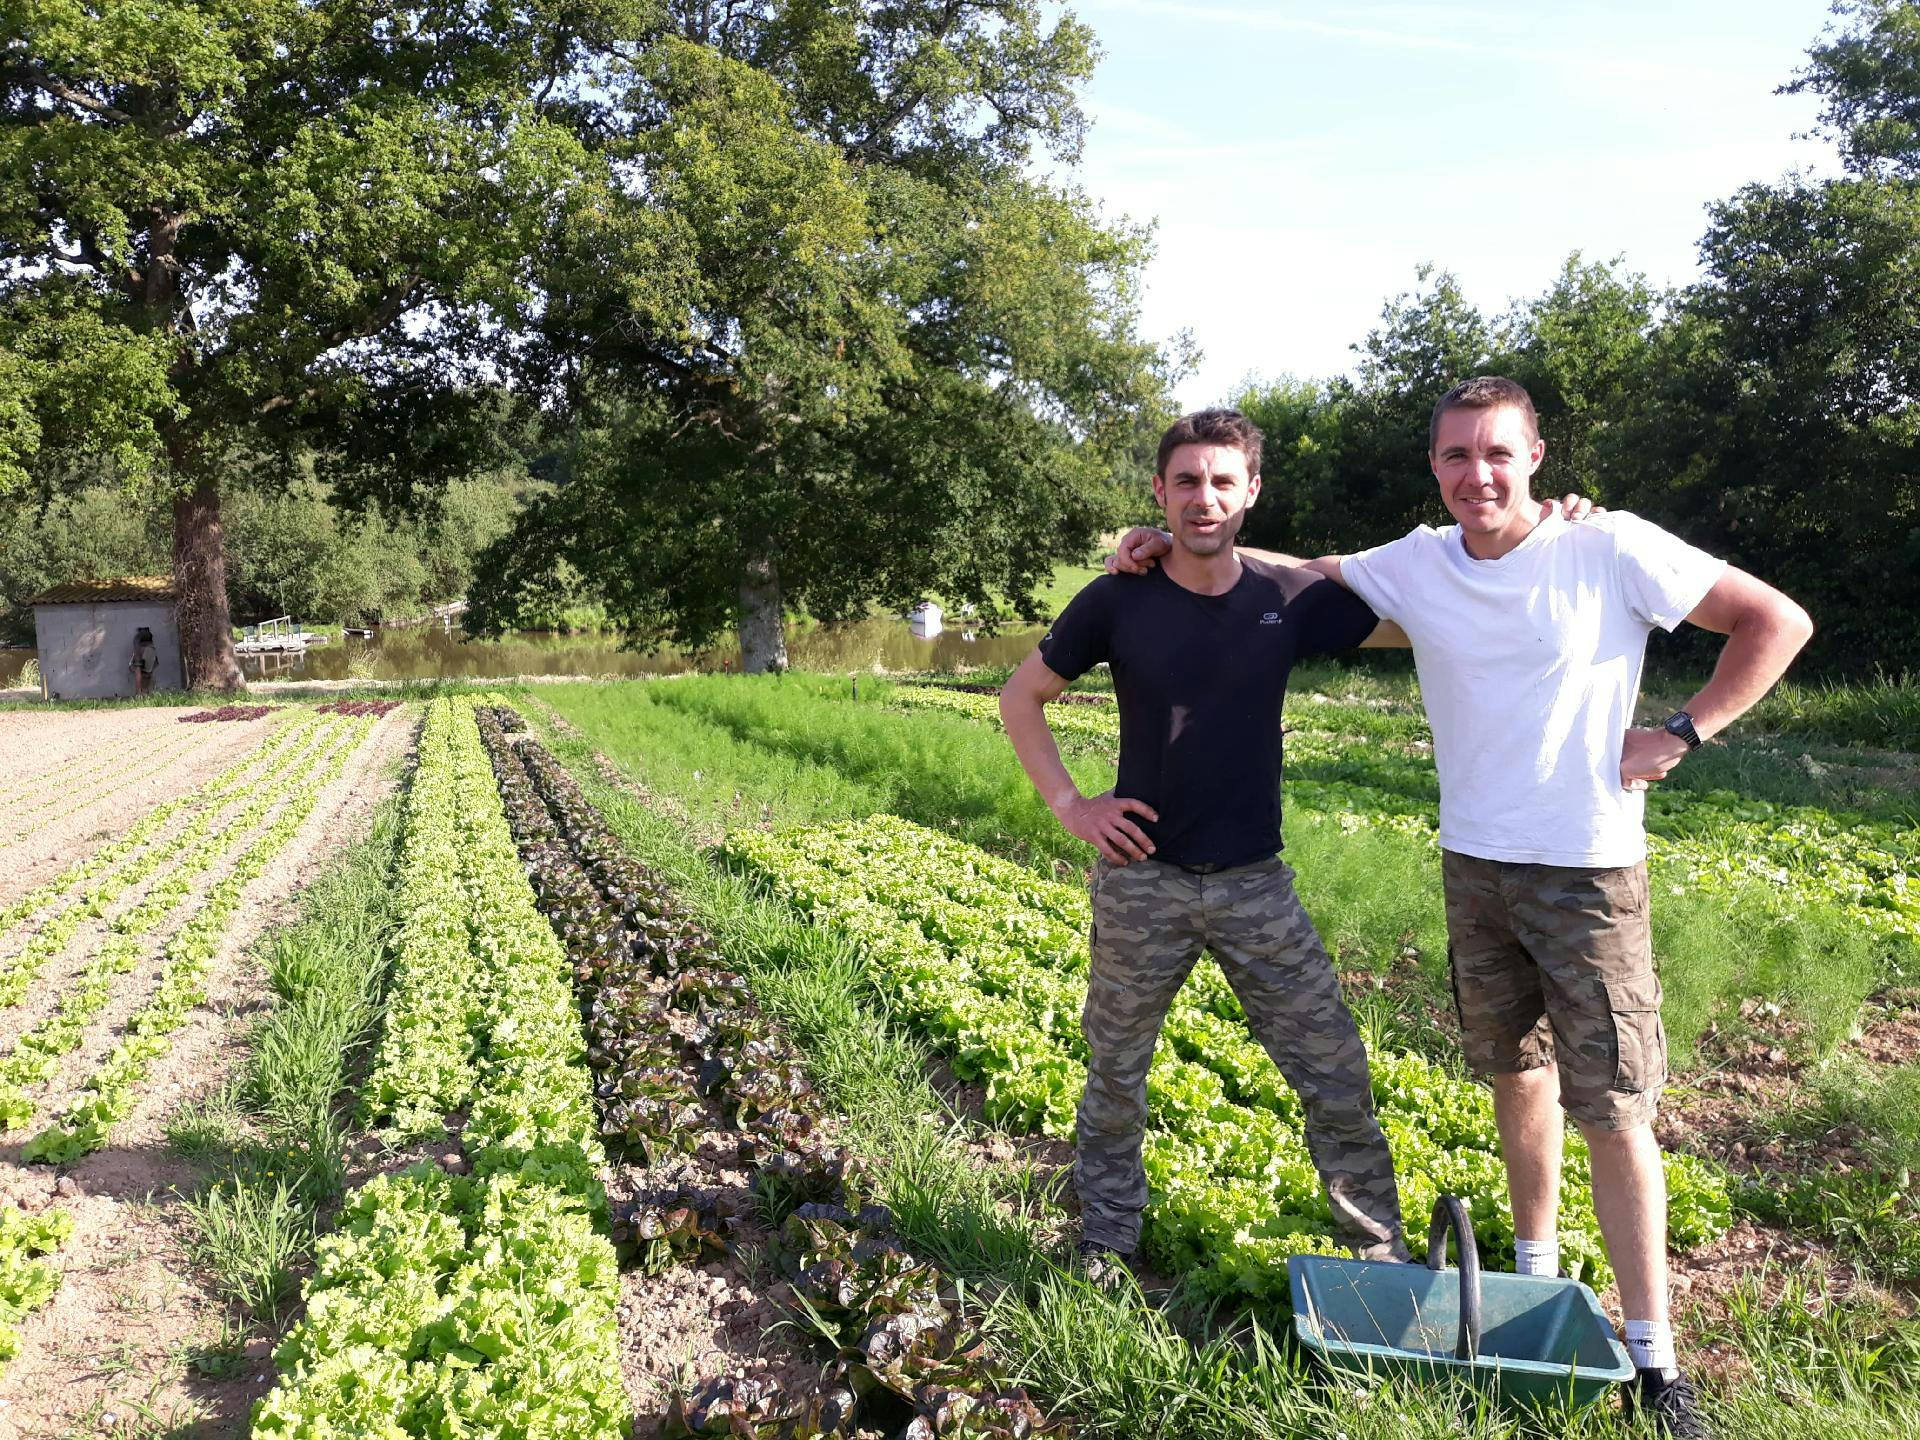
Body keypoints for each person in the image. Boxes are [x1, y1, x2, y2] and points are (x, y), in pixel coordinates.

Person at [1111, 376, 1812, 1439]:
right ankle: (1533, 1278)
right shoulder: (1421, 560)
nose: (1475, 474)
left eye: (1496, 453)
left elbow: (1775, 620)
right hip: (1473, 862)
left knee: (1615, 1111)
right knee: (1512, 1070)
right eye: (1454, 457)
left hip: (1586, 870)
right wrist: (1158, 543)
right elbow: (1284, 573)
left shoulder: (1608, 545)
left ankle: (1656, 1360)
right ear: (1433, 470)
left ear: (1536, 456)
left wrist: (1683, 730)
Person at [1002, 406, 1435, 1282]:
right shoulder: (1116, 599)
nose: (1205, 499)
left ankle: (1379, 1256)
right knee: (1116, 1072)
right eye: (1187, 482)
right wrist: (1073, 806)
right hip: (1140, 883)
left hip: (1255, 887)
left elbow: (1418, 613)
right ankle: (1107, 1237)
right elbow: (1020, 697)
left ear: (1251, 493)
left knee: (1335, 1072)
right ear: (1159, 490)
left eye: (1223, 483)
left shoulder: (1288, 600)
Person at [130, 627, 158, 696]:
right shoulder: (139, 652)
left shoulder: (148, 651)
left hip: (146, 676)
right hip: (144, 673)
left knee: (147, 678)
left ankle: (143, 694)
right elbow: (132, 667)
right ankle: (141, 694)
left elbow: (154, 665)